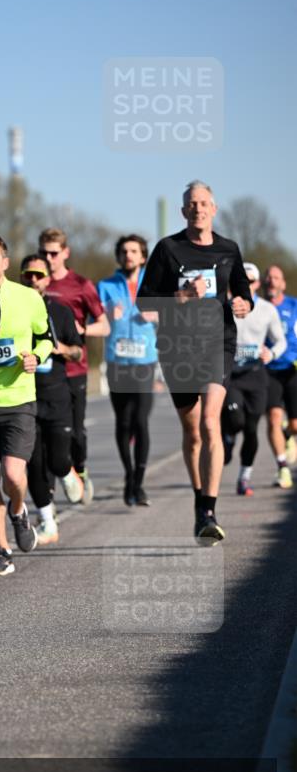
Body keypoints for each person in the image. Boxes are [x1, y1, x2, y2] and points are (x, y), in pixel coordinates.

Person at [137, 181, 252, 541]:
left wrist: (243, 304)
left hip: (217, 343)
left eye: (204, 203)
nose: (198, 208)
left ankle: (209, 509)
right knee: (193, 433)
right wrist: (182, 295)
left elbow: (244, 294)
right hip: (177, 347)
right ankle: (199, 499)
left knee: (210, 422)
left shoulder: (229, 249)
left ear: (213, 209)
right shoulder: (168, 249)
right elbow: (144, 303)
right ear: (183, 211)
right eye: (192, 204)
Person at [0, 231, 54, 575]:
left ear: (4, 261)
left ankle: (18, 510)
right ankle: (2, 551)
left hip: (19, 399)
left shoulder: (28, 297)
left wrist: (36, 356)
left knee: (14, 476)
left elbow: (46, 339)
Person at [41, 228, 110, 504]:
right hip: (45, 373)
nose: (48, 258)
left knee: (77, 433)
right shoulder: (35, 284)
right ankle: (48, 501)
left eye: (54, 253)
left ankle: (79, 468)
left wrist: (81, 330)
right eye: (44, 253)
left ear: (65, 253)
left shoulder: (81, 284)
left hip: (75, 369)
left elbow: (104, 326)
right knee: (45, 438)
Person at [20, 252, 83, 544]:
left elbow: (78, 352)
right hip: (25, 397)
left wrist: (60, 350)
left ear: (47, 280)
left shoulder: (61, 312)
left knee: (57, 461)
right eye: (28, 275)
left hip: (56, 396)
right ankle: (47, 522)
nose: (33, 280)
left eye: (39, 275)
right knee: (33, 464)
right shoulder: (12, 309)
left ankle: (68, 471)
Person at [98, 235, 158, 506]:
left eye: (134, 251)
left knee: (141, 421)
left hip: (145, 360)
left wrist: (157, 315)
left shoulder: (154, 283)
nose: (128, 255)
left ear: (143, 256)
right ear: (119, 256)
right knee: (123, 422)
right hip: (117, 361)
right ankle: (129, 474)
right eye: (124, 251)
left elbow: (174, 314)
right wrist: (107, 314)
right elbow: (94, 318)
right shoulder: (106, 286)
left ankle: (139, 483)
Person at [222, 263, 286, 495]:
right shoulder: (224, 306)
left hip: (256, 374)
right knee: (236, 419)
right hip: (231, 374)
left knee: (251, 429)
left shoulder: (267, 310)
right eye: (241, 281)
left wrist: (272, 353)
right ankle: (228, 436)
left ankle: (244, 477)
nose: (245, 285)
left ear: (257, 284)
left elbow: (280, 341)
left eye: (249, 281)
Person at [261, 264, 297, 489]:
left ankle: (288, 432)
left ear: (283, 284)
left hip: (292, 369)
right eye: (268, 277)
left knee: (295, 424)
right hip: (267, 370)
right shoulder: (257, 307)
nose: (271, 281)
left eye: (276, 277)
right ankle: (283, 468)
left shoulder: (294, 306)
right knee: (273, 417)